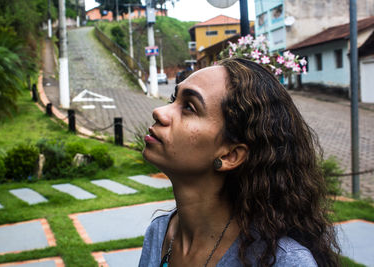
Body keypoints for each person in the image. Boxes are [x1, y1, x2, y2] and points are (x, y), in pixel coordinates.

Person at [139, 58, 340, 267]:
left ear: (230, 155)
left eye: (190, 107)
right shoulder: (160, 233)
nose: (159, 112)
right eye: (174, 99)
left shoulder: (283, 262)